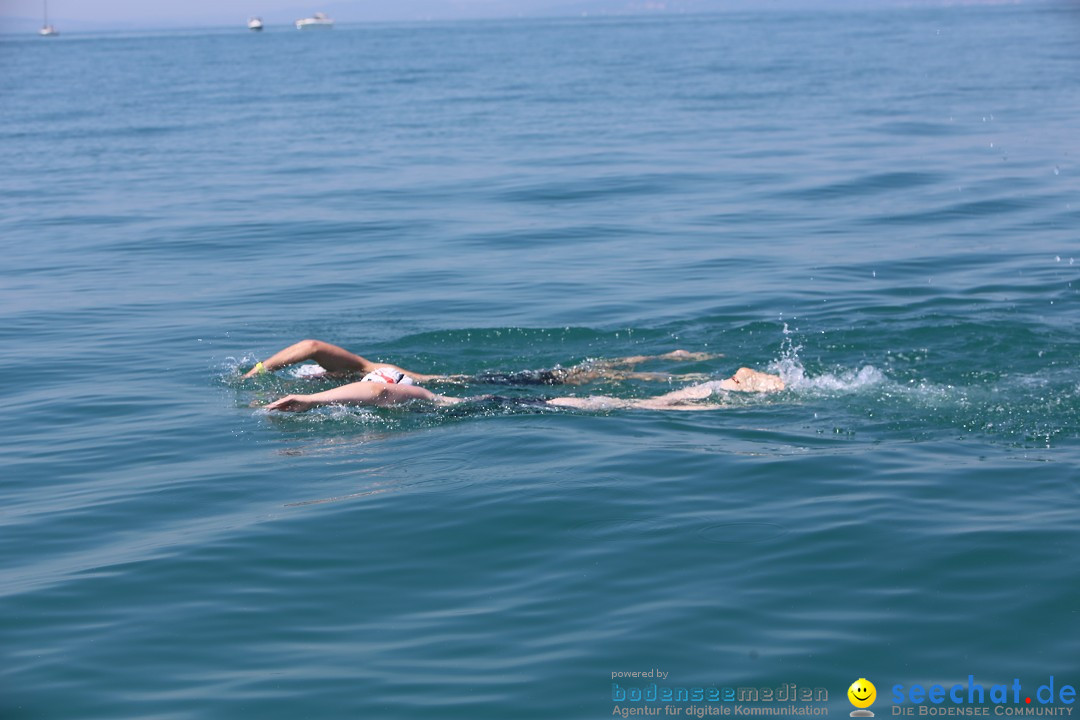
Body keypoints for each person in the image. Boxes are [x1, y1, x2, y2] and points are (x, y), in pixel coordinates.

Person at [263, 366, 785, 413]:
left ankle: (723, 387)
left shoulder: (382, 384)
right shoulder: (390, 380)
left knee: (622, 405)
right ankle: (721, 385)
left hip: (500, 405)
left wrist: (307, 401)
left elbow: (374, 394)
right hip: (496, 404)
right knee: (618, 401)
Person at [243, 338, 718, 385]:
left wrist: (260, 370)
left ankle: (670, 362)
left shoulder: (356, 370)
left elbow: (308, 344)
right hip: (471, 384)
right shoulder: (353, 379)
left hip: (472, 382)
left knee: (575, 378)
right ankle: (666, 360)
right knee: (573, 377)